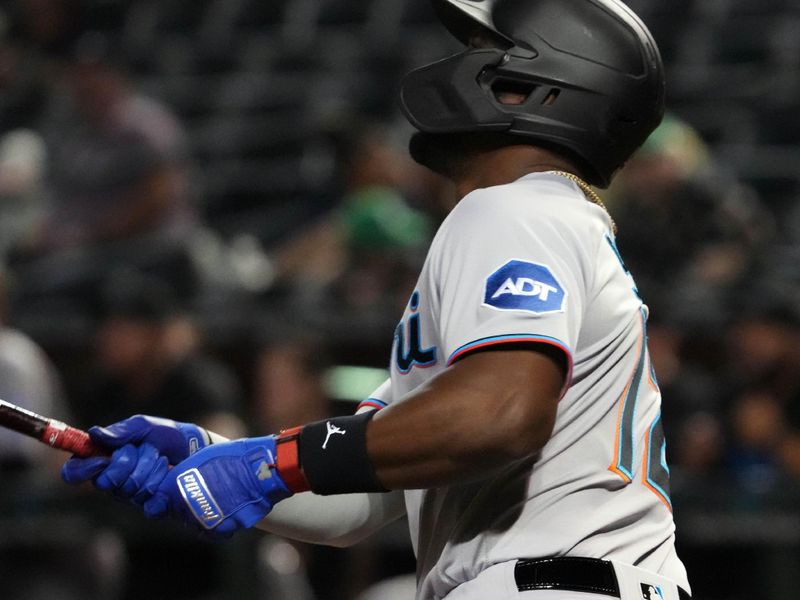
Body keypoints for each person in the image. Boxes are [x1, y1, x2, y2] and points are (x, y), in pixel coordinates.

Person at [62, 1, 691, 599]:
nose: (458, 63)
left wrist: (270, 461)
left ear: (534, 85)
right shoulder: (545, 220)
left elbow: (502, 411)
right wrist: (214, 456)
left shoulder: (513, 208)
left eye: (480, 49)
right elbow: (358, 497)